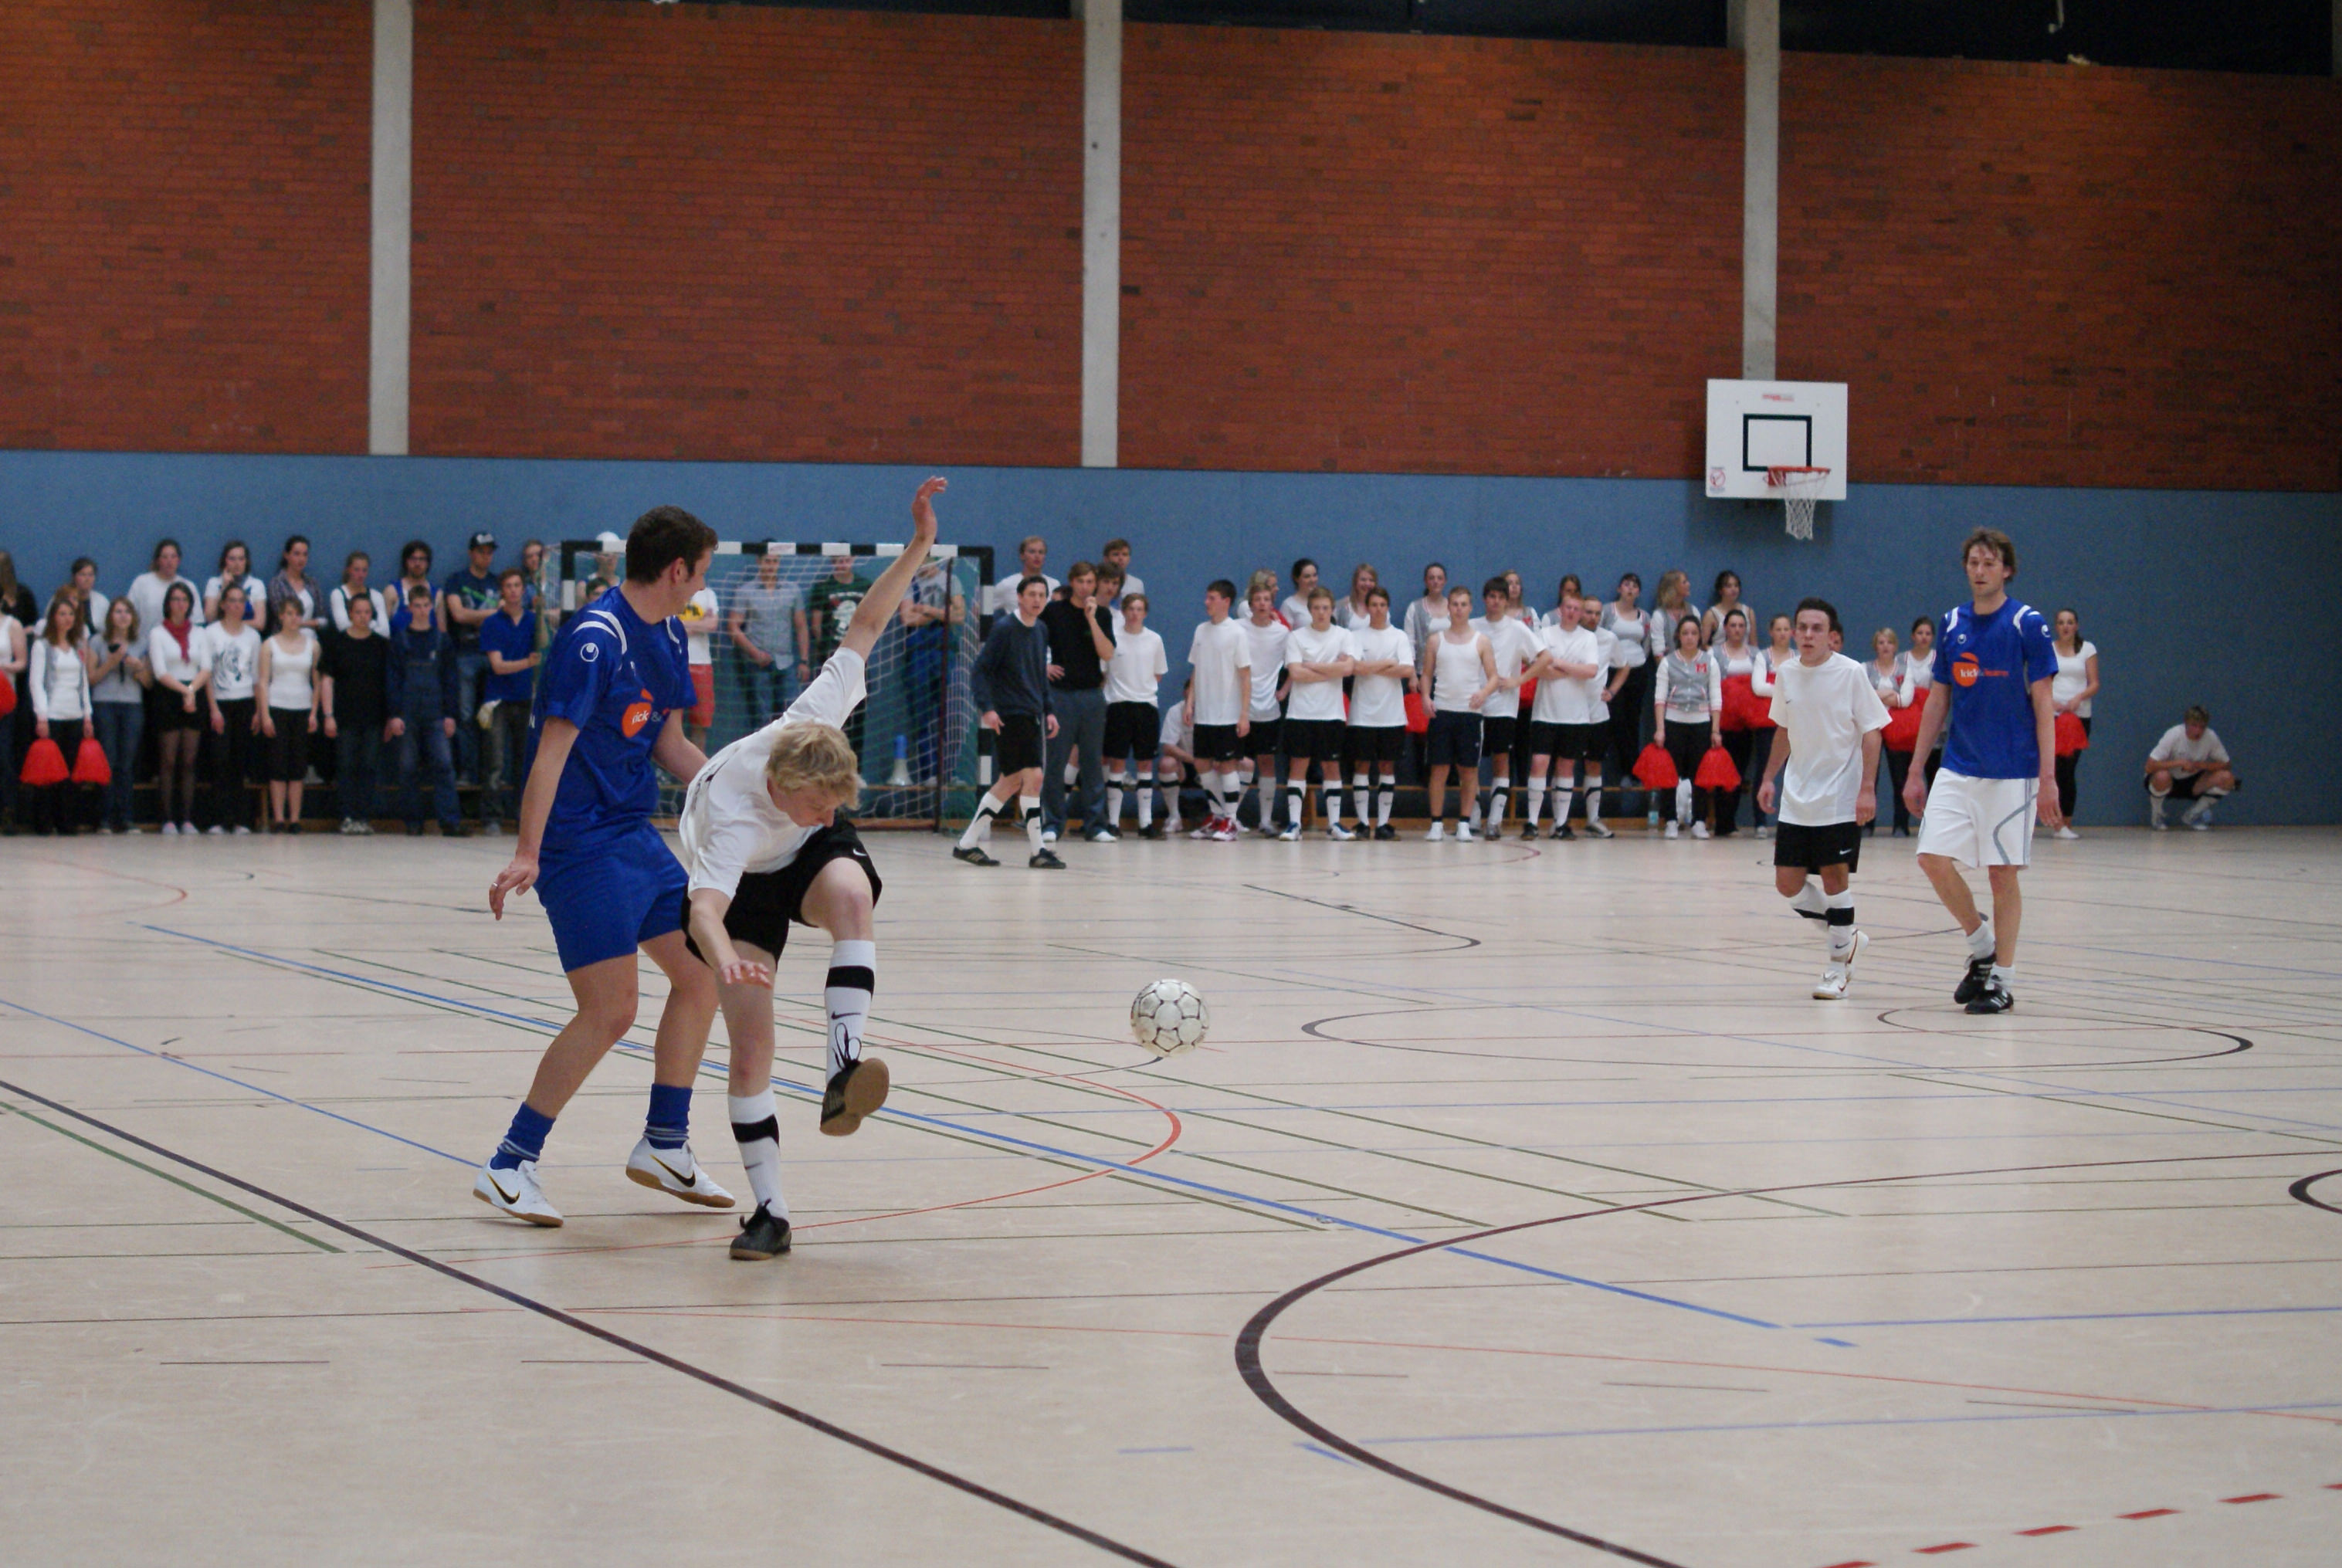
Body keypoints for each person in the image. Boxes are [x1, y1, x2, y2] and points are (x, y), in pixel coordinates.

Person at [678, 479, 947, 1260]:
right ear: (783, 787)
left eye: (838, 805)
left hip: (793, 852)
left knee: (852, 897)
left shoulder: (815, 725)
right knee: (750, 1050)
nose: (833, 816)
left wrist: (919, 545)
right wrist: (727, 962)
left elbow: (867, 622)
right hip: (740, 890)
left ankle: (842, 1069)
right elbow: (703, 910)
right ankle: (770, 1212)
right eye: (821, 805)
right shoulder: (733, 816)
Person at [475, 506, 727, 1228]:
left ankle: (665, 1143)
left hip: (631, 833)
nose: (701, 587)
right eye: (700, 573)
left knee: (701, 972)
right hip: (576, 843)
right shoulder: (595, 639)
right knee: (611, 1008)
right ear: (676, 569)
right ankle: (510, 1162)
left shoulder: (670, 632)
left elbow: (669, 744)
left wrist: (736, 794)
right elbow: (550, 754)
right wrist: (528, 852)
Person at [1902, 527, 2062, 1016]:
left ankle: (2003, 982)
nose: (1980, 570)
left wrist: (2049, 777)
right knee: (1931, 857)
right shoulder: (1952, 623)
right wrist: (1915, 770)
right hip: (1959, 765)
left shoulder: (2027, 623)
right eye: (1973, 562)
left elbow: (2044, 702)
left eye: (1990, 563)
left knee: (2001, 874)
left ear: (2006, 570)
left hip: (2014, 770)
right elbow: (1938, 700)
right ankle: (1982, 945)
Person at [1756, 598, 1890, 1000]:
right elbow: (1783, 729)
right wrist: (1768, 777)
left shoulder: (1851, 673)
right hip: (1797, 796)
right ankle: (1847, 936)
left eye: (1817, 628)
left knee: (1834, 880)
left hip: (1839, 795)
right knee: (1787, 883)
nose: (1808, 635)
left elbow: (1873, 733)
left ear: (1831, 635)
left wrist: (1867, 789)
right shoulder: (1786, 673)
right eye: (1802, 627)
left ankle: (1837, 968)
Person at [955, 574, 1061, 868]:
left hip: (1032, 713)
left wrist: (1049, 709)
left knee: (1011, 781)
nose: (1037, 600)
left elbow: (1039, 675)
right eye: (1032, 595)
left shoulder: (1041, 629)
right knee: (1034, 777)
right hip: (1010, 714)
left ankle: (966, 843)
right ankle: (1038, 851)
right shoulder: (1005, 629)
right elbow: (981, 670)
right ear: (1020, 597)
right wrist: (987, 708)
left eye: (1042, 595)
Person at [1523, 592, 1609, 841]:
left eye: (1576, 609)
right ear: (1560, 610)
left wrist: (1559, 663)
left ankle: (1561, 824)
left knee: (1566, 767)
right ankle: (1531, 823)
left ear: (1581, 613)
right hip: (1545, 713)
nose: (1572, 612)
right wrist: (1570, 670)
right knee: (1539, 763)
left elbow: (1590, 671)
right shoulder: (1545, 635)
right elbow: (1537, 668)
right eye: (1568, 607)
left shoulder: (1589, 639)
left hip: (1575, 716)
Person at [1040, 560, 1116, 842]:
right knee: (1057, 761)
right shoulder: (1053, 612)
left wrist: (1092, 619)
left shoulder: (1102, 614)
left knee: (1092, 762)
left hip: (1092, 695)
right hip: (1060, 695)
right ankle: (1052, 823)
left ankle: (1096, 825)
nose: (1085, 587)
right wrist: (1043, 666)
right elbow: (1034, 640)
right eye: (1081, 581)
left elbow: (1107, 653)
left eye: (1090, 582)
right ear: (1072, 582)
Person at [385, 584, 465, 838]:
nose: (421, 610)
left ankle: (449, 821)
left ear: (431, 607)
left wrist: (450, 714)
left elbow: (451, 680)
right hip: (407, 713)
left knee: (444, 765)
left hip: (436, 712)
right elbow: (393, 680)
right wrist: (395, 714)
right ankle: (413, 822)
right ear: (409, 608)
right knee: (408, 768)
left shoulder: (442, 640)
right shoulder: (400, 640)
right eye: (417, 606)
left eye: (425, 606)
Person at [1277, 588, 1357, 839]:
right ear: (1310, 610)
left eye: (1325, 608)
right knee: (1298, 765)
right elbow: (1296, 673)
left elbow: (1348, 669)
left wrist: (1312, 666)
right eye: (1316, 608)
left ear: (1332, 610)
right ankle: (1294, 824)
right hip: (1300, 713)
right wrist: (1331, 669)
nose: (1321, 613)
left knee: (1331, 766)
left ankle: (1334, 824)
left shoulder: (1344, 636)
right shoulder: (1296, 637)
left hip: (1331, 714)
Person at [1419, 585, 1495, 841]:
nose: (1459, 609)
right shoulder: (1435, 640)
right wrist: (1425, 697)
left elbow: (1494, 677)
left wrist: (1483, 693)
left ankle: (1464, 823)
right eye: (1455, 604)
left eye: (1464, 604)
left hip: (1469, 714)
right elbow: (1426, 674)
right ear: (1448, 607)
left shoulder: (1481, 641)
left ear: (1470, 608)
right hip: (1442, 712)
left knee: (1469, 771)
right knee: (1439, 770)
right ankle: (1436, 824)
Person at [1182, 579, 1252, 842]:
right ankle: (1217, 816)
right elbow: (1196, 668)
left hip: (1228, 713)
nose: (1206, 602)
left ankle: (1231, 821)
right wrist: (1190, 702)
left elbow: (1245, 675)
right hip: (1205, 713)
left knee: (1227, 765)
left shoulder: (1237, 633)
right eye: (1207, 597)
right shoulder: (1201, 631)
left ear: (1226, 601)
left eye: (1212, 598)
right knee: (1202, 763)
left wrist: (1244, 714)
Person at [1469, 577, 1539, 838]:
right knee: (1470, 763)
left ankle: (1494, 821)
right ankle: (1472, 817)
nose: (1496, 601)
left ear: (1507, 601)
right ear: (1484, 599)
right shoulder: (1472, 626)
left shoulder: (1518, 628)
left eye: (1501, 597)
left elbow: (1543, 658)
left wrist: (1519, 681)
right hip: (1474, 704)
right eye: (1492, 597)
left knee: (1501, 760)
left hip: (1503, 706)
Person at [1344, 585, 1412, 841]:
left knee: (1387, 766)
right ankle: (1362, 823)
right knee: (1361, 765)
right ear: (1367, 607)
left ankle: (1383, 824)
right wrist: (1387, 663)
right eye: (1374, 605)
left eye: (1383, 605)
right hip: (1362, 713)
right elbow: (1355, 668)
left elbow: (1406, 670)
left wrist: (1371, 667)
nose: (1378, 609)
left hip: (1391, 714)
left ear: (1388, 607)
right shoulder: (1356, 636)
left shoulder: (1399, 637)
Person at [321, 591, 390, 834]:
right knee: (346, 766)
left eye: (367, 612)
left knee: (369, 767)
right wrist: (328, 715)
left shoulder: (382, 645)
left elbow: (389, 684)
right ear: (350, 614)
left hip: (373, 717)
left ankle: (363, 816)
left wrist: (390, 717)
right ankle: (347, 816)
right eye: (358, 612)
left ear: (372, 615)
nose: (362, 616)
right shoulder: (337, 642)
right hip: (344, 717)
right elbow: (327, 680)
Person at [477, 567, 540, 835]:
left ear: (523, 590)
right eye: (508, 586)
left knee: (525, 762)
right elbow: (498, 666)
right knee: (495, 761)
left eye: (517, 585)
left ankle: (523, 817)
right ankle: (491, 817)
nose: (513, 591)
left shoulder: (535, 621)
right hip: (498, 700)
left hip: (527, 698)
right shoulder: (492, 623)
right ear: (501, 591)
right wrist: (528, 662)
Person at [1102, 591, 1169, 838]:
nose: (1134, 614)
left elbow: (1158, 674)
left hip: (1146, 706)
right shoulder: (1112, 637)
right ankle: (1113, 822)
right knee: (1117, 762)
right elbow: (1104, 672)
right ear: (1123, 611)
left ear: (1145, 613)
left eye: (1139, 609)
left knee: (1145, 764)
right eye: (1130, 609)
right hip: (1118, 706)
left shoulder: (1154, 639)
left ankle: (1145, 823)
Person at [25, 590, 93, 835]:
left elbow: (83, 683)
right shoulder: (42, 646)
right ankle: (43, 821)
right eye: (62, 614)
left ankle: (66, 820)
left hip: (74, 714)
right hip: (52, 715)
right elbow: (36, 682)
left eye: (71, 614)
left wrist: (87, 715)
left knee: (70, 771)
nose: (67, 619)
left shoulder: (77, 646)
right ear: (53, 617)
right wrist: (41, 715)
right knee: (49, 771)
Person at [146, 581, 208, 835]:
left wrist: (191, 690)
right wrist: (185, 691)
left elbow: (206, 668)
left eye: (184, 599)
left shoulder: (200, 633)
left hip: (194, 692)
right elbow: (160, 672)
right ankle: (167, 818)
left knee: (190, 760)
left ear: (190, 604)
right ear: (168, 604)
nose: (180, 604)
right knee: (169, 759)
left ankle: (187, 818)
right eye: (175, 599)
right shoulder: (157, 633)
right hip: (168, 694)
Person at [253, 596, 320, 831]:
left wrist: (314, 713)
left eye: (298, 614)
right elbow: (263, 682)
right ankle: (279, 818)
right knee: (278, 765)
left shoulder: (313, 645)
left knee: (298, 767)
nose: (294, 618)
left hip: (302, 709)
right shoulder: (269, 645)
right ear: (281, 616)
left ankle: (295, 819)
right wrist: (265, 715)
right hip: (277, 708)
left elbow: (317, 682)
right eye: (289, 613)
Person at [1653, 612, 1722, 839]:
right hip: (1674, 723)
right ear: (1678, 636)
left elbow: (1716, 697)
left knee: (1699, 775)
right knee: (1670, 775)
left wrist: (1715, 730)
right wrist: (1660, 728)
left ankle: (1699, 821)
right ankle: (1671, 821)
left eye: (1694, 633)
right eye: (1685, 633)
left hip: (1701, 724)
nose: (1690, 637)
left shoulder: (1710, 661)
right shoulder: (1667, 662)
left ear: (1700, 636)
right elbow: (1660, 698)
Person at [201, 583, 263, 835]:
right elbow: (207, 673)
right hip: (220, 703)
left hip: (245, 702)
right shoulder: (211, 633)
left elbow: (257, 676)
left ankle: (240, 819)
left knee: (240, 761)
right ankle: (218, 818)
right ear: (223, 604)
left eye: (241, 601)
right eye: (232, 600)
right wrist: (214, 709)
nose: (237, 605)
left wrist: (258, 710)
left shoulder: (253, 637)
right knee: (220, 761)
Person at [727, 549, 810, 729]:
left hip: (786, 663)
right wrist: (755, 653)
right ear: (759, 562)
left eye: (775, 561)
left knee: (791, 718)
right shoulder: (745, 591)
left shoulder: (792, 590)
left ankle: (786, 749)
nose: (771, 566)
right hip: (757, 664)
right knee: (761, 719)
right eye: (767, 561)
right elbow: (733, 627)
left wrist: (804, 661)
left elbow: (802, 626)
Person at [441, 531, 500, 783]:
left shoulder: (498, 582)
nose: (486, 556)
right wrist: (492, 614)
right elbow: (458, 615)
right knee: (464, 716)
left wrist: (476, 616)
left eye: (489, 552)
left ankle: (490, 774)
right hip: (463, 655)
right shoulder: (456, 581)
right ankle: (467, 771)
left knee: (492, 716)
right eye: (481, 552)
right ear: (471, 553)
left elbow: (504, 616)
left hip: (493, 656)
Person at [898, 553, 961, 786]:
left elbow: (960, 615)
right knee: (921, 716)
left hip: (944, 651)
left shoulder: (950, 580)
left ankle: (948, 773)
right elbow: (907, 618)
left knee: (947, 714)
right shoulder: (909, 582)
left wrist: (926, 610)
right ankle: (929, 774)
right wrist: (943, 613)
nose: (922, 561)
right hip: (919, 653)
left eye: (926, 557)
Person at [90, 597, 148, 834]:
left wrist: (139, 668)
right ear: (110, 616)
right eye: (118, 611)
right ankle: (104, 817)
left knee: (126, 763)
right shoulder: (97, 642)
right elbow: (91, 678)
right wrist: (111, 662)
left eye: (127, 612)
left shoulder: (141, 642)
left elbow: (149, 682)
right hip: (104, 703)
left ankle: (125, 817)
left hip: (132, 705)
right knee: (108, 760)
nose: (123, 616)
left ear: (133, 617)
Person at [1239, 574, 1292, 833]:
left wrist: (1284, 689)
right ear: (1250, 604)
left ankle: (1265, 820)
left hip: (1268, 709)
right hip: (1240, 708)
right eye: (1257, 599)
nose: (1262, 603)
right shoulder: (1237, 628)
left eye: (1266, 599)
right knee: (1237, 763)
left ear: (1272, 604)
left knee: (1267, 762)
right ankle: (1230, 817)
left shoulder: (1282, 633)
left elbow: (1295, 663)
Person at [805, 554, 869, 760]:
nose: (843, 563)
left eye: (846, 559)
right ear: (833, 562)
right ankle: (830, 766)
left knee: (857, 716)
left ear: (853, 559)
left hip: (859, 660)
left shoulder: (864, 585)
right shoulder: (823, 588)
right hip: (831, 659)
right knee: (830, 716)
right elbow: (816, 626)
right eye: (839, 560)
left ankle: (855, 768)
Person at [1600, 573, 1653, 818]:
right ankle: (1627, 769)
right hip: (1613, 671)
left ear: (1638, 592)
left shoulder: (1645, 617)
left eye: (1635, 586)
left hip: (1637, 671)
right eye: (1627, 585)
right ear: (1619, 588)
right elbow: (1600, 638)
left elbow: (1647, 644)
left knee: (1633, 721)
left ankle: (1630, 772)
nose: (1630, 589)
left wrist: (1637, 662)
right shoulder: (1607, 612)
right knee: (1616, 720)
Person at [2049, 608, 2099, 838]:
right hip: (2053, 716)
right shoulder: (2049, 649)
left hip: (2078, 717)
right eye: (2061, 622)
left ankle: (2066, 822)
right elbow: (2040, 682)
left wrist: (2078, 698)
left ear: (2076, 625)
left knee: (2068, 770)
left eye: (2070, 622)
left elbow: (2094, 683)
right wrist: (2050, 702)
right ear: (2056, 627)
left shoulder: (2087, 649)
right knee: (2054, 770)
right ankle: (2056, 823)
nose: (2066, 626)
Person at [2144, 706, 2236, 831]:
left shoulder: (2210, 737)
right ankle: (2157, 814)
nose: (2198, 731)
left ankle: (2193, 815)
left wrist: (2199, 765)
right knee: (2162, 776)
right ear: (2186, 724)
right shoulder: (2174, 735)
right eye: (2194, 726)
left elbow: (2226, 764)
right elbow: (2149, 766)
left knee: (2227, 778)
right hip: (2170, 780)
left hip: (2194, 782)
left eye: (2202, 727)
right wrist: (2180, 763)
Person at [1710, 607, 1759, 835]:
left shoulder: (1756, 655)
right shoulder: (1714, 653)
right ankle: (1719, 820)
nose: (1737, 630)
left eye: (1741, 626)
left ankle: (1730, 821)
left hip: (1746, 722)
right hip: (1722, 720)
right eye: (1733, 625)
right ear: (1725, 628)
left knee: (1739, 771)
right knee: (1721, 771)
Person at [1747, 611, 1795, 838]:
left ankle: (1791, 820)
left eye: (1786, 629)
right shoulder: (1763, 657)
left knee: (1793, 772)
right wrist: (1786, 691)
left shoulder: (1798, 657)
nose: (1783, 634)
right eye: (1778, 629)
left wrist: (1776, 689)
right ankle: (1760, 822)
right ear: (1771, 632)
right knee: (1765, 769)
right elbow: (1758, 687)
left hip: (1795, 721)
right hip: (1768, 721)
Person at [1866, 626, 1917, 837]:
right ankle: (1867, 824)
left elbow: (1905, 700)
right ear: (1875, 646)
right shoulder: (1864, 669)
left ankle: (1901, 825)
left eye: (1889, 642)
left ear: (1895, 646)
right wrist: (1889, 694)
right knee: (1870, 777)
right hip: (1872, 728)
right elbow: (1862, 697)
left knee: (1900, 778)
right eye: (1881, 642)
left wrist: (1877, 695)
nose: (1885, 646)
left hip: (1897, 730)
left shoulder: (1906, 670)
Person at [676, 574, 721, 758]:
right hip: (675, 662)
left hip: (702, 664)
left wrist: (683, 625)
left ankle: (698, 768)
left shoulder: (708, 594)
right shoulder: (672, 593)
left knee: (701, 721)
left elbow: (712, 624)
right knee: (671, 722)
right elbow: (666, 623)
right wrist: (699, 623)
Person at [128, 539, 202, 635]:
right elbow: (129, 614)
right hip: (145, 641)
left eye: (173, 557)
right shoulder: (142, 583)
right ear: (158, 560)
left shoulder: (188, 587)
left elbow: (196, 621)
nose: (169, 561)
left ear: (179, 560)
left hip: (178, 642)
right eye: (165, 557)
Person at [981, 536, 1056, 619]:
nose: (1037, 556)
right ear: (1022, 556)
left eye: (1041, 552)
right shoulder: (1007, 584)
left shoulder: (1054, 585)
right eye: (1032, 552)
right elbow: (981, 608)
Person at [268, 534, 326, 632]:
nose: (301, 559)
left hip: (310, 636)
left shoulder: (312, 583)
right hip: (284, 636)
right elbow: (281, 618)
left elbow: (323, 620)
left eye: (305, 554)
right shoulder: (276, 584)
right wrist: (309, 623)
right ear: (286, 555)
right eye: (297, 554)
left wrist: (304, 624)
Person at [329, 550, 391, 632]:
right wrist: (373, 624)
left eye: (364, 570)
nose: (361, 575)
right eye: (356, 570)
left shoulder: (376, 596)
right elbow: (343, 626)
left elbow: (385, 631)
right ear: (348, 570)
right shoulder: (338, 594)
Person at [202, 540, 262, 625]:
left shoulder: (256, 584)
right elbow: (209, 618)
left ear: (246, 561)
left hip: (246, 631)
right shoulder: (214, 583)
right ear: (225, 561)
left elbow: (260, 623)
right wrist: (224, 587)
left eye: (241, 559)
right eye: (232, 559)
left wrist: (232, 625)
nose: (237, 564)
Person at [1403, 562, 1449, 655]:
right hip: (1423, 663)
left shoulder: (1454, 607)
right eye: (1431, 578)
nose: (1436, 582)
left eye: (1440, 578)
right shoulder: (1415, 608)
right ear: (1425, 581)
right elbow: (1409, 641)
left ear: (1445, 581)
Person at [390, 540, 436, 632]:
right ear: (406, 562)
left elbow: (442, 631)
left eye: (422, 559)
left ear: (428, 563)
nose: (417, 563)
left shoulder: (437, 594)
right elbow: (384, 631)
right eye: (413, 559)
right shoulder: (392, 591)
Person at [1700, 569, 1746, 648]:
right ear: (1721, 590)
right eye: (1729, 586)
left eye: (1736, 586)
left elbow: (1753, 644)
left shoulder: (1748, 612)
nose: (1733, 589)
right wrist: (1715, 652)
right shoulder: (1711, 614)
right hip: (1719, 654)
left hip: (1744, 654)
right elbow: (1702, 644)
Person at [1279, 559, 1320, 629]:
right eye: (1307, 577)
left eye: (1314, 575)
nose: (1312, 580)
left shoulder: (1323, 600)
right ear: (1297, 579)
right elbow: (1286, 633)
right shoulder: (1289, 605)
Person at [1100, 538, 1144, 604]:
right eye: (1116, 554)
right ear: (1106, 559)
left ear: (1129, 559)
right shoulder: (1096, 582)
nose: (1121, 558)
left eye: (1125, 554)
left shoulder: (1137, 584)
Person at [1339, 564, 1380, 632]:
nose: (1367, 584)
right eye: (1363, 580)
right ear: (1355, 582)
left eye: (1371, 580)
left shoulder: (1381, 608)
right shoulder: (1346, 608)